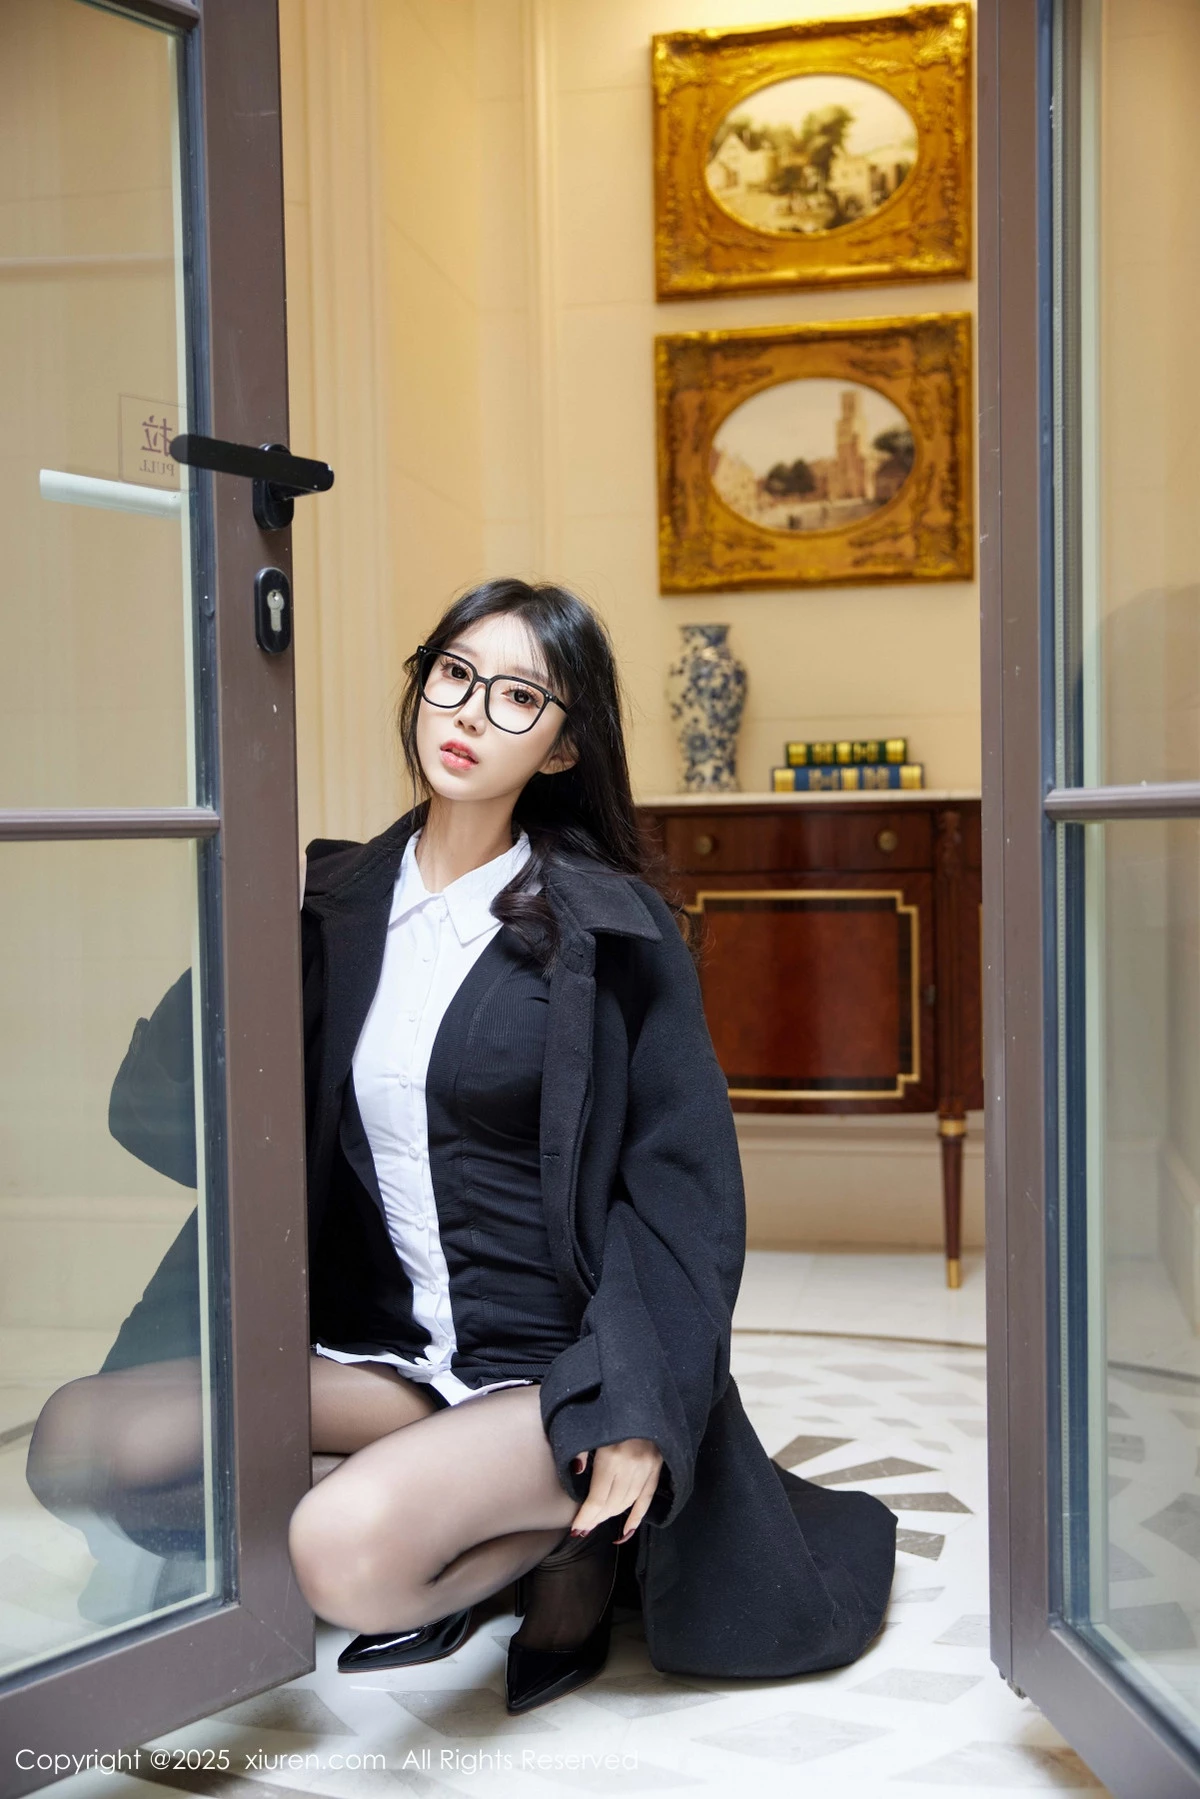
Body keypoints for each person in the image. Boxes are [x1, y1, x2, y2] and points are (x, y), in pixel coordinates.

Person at [27, 579, 896, 1711]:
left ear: (563, 746)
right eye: (454, 673)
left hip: (552, 1375)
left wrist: (637, 1408)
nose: (471, 711)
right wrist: (240, 905)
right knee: (78, 1441)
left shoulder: (606, 929)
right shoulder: (334, 901)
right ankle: (450, 1500)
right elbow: (164, 1117)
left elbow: (681, 1196)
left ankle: (558, 1543)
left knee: (341, 1554)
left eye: (518, 695)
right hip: (390, 1355)